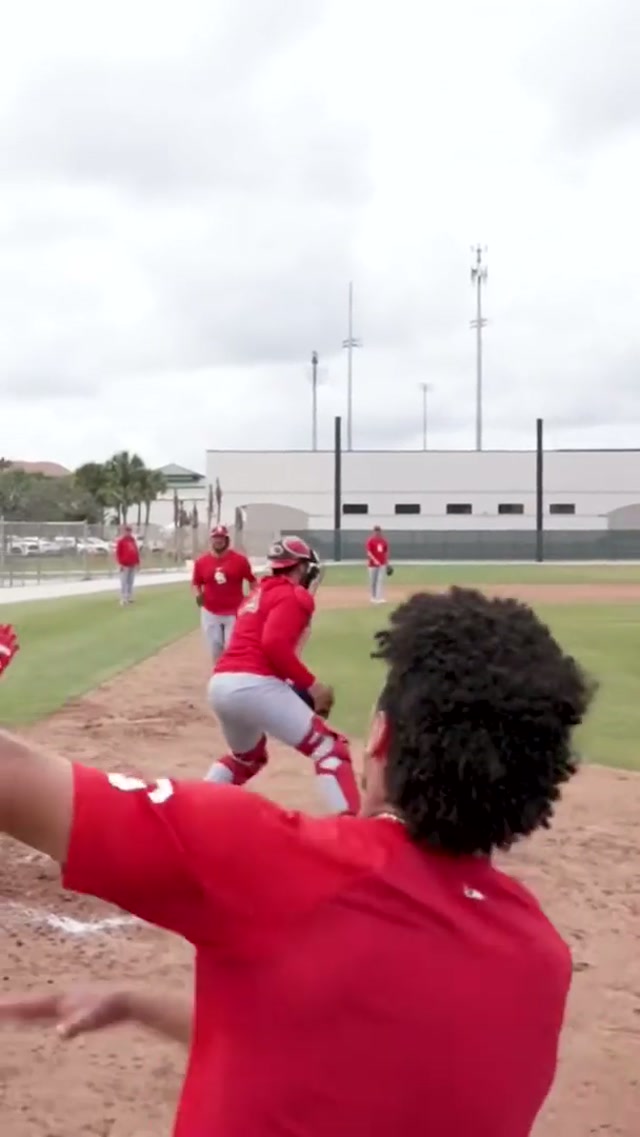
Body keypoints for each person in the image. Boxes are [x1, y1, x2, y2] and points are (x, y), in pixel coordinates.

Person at [0, 587, 593, 1137]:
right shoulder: (542, 959)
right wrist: (140, 1005)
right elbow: (343, 1053)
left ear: (381, 741)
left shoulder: (272, 861)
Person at [205, 535, 359, 816]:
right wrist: (312, 686)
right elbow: (273, 644)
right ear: (300, 568)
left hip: (221, 685)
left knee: (246, 759)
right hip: (253, 683)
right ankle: (354, 834)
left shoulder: (256, 594)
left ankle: (195, 812)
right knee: (330, 749)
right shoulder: (293, 594)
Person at [191, 524, 256, 662]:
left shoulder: (240, 560)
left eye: (221, 538)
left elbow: (251, 580)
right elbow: (196, 582)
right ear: (211, 540)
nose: (218, 541)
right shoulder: (202, 562)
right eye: (215, 538)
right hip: (211, 611)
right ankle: (219, 674)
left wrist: (253, 599)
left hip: (234, 611)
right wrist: (198, 595)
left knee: (231, 646)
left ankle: (231, 675)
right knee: (215, 647)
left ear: (227, 540)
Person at [114, 524, 140, 606]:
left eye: (129, 531)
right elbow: (118, 553)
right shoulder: (121, 541)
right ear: (124, 531)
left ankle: (129, 596)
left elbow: (136, 551)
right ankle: (123, 598)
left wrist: (138, 562)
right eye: (126, 531)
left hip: (132, 563)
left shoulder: (132, 540)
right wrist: (120, 564)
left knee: (130, 581)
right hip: (124, 564)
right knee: (124, 581)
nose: (128, 532)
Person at [366, 524, 390, 604]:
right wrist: (374, 560)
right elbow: (369, 552)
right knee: (373, 581)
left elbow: (386, 552)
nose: (377, 533)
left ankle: (379, 597)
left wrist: (387, 563)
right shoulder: (370, 541)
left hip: (382, 564)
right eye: (376, 531)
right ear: (374, 532)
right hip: (372, 565)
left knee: (381, 580)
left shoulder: (383, 541)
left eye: (378, 531)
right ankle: (373, 597)